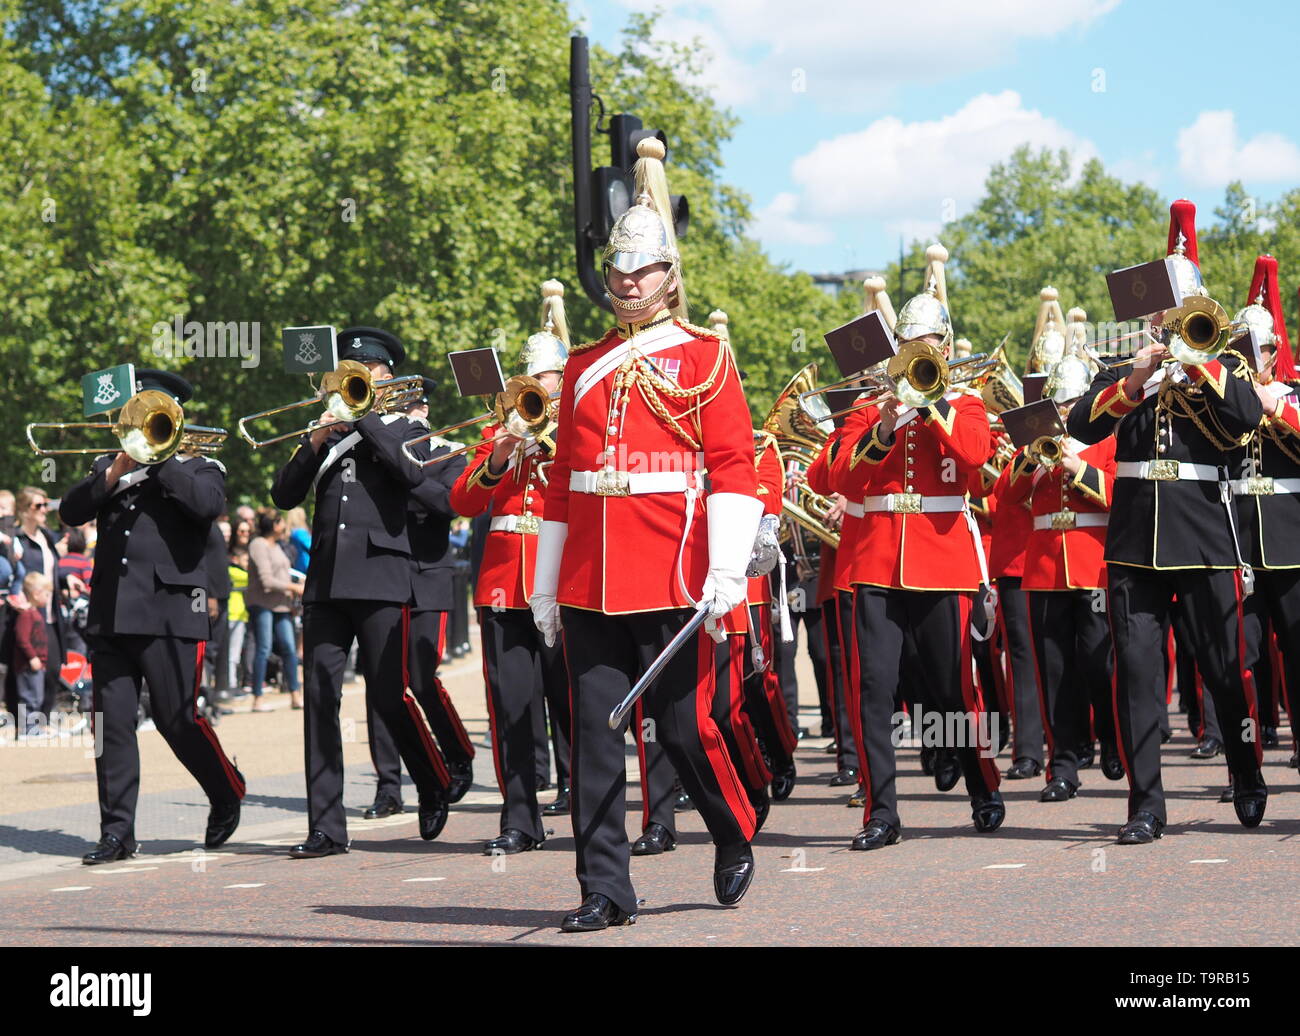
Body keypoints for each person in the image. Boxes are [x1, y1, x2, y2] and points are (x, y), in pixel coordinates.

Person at [530, 138, 763, 931]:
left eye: (642, 272)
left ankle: (732, 829)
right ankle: (604, 888)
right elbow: (564, 482)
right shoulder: (583, 366)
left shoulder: (705, 358)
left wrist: (725, 565)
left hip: (673, 572)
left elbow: (734, 470)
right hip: (592, 580)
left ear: (669, 277)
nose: (627, 283)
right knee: (594, 738)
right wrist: (544, 581)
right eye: (618, 273)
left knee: (683, 729)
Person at [1067, 200, 1265, 843]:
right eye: (1160, 312)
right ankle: (1146, 804)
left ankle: (1246, 770)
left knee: (1223, 670)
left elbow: (1242, 420)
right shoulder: (1127, 370)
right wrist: (1137, 379)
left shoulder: (1223, 364)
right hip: (1133, 544)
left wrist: (1199, 363)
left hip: (1204, 536)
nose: (1165, 321)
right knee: (1139, 677)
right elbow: (1080, 425)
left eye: (1176, 312)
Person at [827, 244, 1002, 851]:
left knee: (953, 689)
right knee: (873, 690)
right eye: (907, 348)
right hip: (873, 564)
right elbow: (840, 478)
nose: (917, 358)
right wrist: (885, 425)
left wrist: (934, 409)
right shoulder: (868, 410)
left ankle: (984, 785)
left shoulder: (969, 405)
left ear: (946, 351)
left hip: (942, 564)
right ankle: (882, 812)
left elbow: (975, 459)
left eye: (927, 348)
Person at [271, 326, 453, 858]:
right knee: (321, 701)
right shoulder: (328, 431)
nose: (355, 380)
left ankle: (432, 777)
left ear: (387, 377)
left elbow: (411, 475)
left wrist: (364, 418)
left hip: (381, 575)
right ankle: (326, 826)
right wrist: (314, 442)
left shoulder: (402, 428)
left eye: (366, 373)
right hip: (326, 579)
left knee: (387, 694)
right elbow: (283, 496)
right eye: (349, 373)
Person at [58, 368, 245, 863]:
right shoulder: (109, 463)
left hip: (170, 613)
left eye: (153, 412)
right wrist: (115, 471)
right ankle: (117, 833)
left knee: (177, 719)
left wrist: (161, 459)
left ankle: (226, 790)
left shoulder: (201, 466)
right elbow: (71, 511)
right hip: (113, 612)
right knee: (110, 726)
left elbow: (207, 507)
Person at [451, 281, 573, 854]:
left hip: (561, 578)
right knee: (512, 706)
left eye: (544, 381)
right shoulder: (496, 431)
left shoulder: (576, 431)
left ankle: (584, 800)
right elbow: (463, 501)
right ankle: (519, 818)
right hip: (504, 584)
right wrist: (500, 454)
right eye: (528, 382)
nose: (534, 390)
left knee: (573, 701)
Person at [363, 375, 476, 819]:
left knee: (422, 677)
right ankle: (389, 784)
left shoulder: (447, 450)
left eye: (410, 410)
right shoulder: (375, 448)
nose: (404, 420)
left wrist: (403, 472)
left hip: (427, 573)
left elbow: (449, 503)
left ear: (424, 412)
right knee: (381, 683)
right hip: (383, 574)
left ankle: (456, 753)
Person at [1229, 254, 1300, 794]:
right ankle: (1245, 765)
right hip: (1236, 545)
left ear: (1278, 351)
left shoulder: (1292, 396)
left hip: (1290, 542)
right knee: (1242, 662)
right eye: (1246, 349)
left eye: (1265, 348)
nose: (1256, 357)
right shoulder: (1223, 401)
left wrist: (1275, 408)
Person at [246, 510, 303, 711]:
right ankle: (257, 697)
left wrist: (294, 585)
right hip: (262, 603)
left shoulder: (278, 546)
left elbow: (283, 574)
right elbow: (266, 580)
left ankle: (295, 694)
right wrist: (294, 587)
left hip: (281, 605)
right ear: (273, 524)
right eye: (280, 522)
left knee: (289, 648)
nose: (284, 526)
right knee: (264, 648)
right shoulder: (258, 544)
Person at [13, 572, 52, 736]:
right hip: (28, 665)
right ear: (36, 594)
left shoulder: (35, 613)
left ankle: (33, 727)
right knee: (29, 696)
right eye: (46, 594)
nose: (48, 597)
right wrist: (32, 657)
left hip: (38, 665)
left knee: (37, 697)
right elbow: (22, 638)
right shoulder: (27, 614)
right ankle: (27, 729)